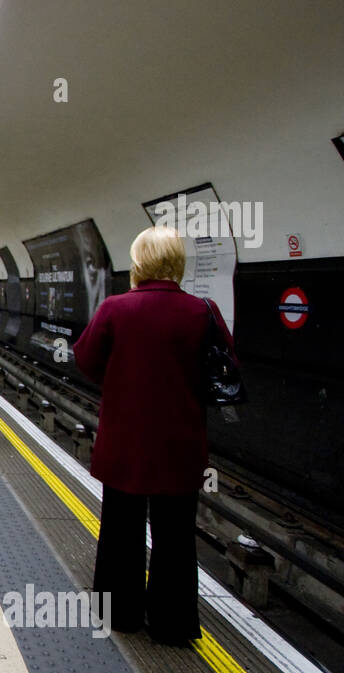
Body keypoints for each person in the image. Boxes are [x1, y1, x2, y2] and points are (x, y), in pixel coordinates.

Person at [73, 226, 234, 645]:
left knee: (121, 529)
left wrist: (122, 378)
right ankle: (172, 623)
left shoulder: (115, 308)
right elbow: (224, 371)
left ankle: (120, 613)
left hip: (126, 442)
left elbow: (86, 360)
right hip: (179, 444)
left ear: (139, 262)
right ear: (178, 263)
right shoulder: (203, 311)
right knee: (176, 535)